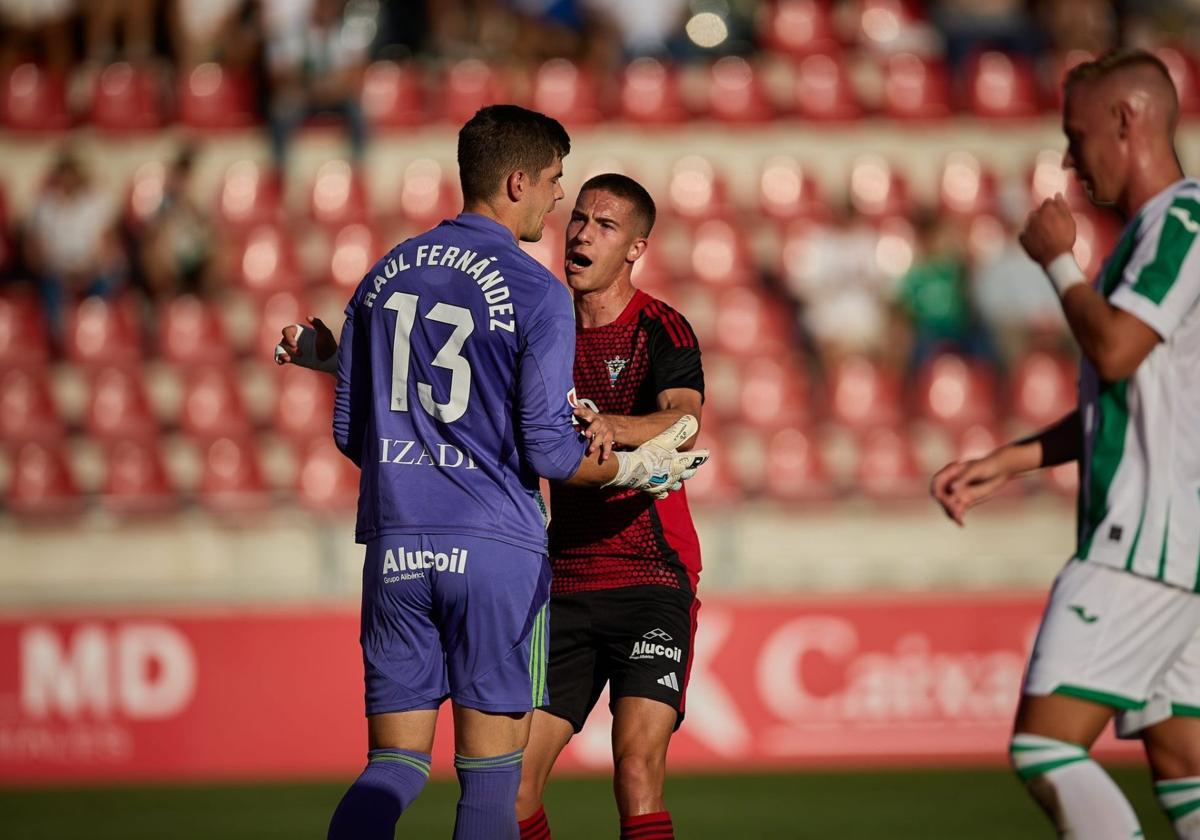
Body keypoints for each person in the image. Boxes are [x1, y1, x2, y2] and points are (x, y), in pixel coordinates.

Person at [290, 104, 708, 840]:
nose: (562, 210)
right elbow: (548, 452)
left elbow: (354, 434)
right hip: (500, 555)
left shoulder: (386, 273)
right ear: (519, 181)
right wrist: (628, 471)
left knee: (394, 767)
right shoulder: (534, 291)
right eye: (556, 187)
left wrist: (408, 438)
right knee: (492, 784)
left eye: (597, 220)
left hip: (399, 545)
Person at [930, 49, 1200, 839]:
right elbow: (1138, 400)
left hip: (1141, 543)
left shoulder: (1181, 223)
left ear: (1129, 120)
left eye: (1077, 136)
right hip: (1176, 549)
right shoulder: (1155, 237)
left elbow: (1113, 351)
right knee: (1183, 761)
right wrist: (1009, 460)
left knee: (1046, 746)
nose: (1071, 160)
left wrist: (1057, 262)